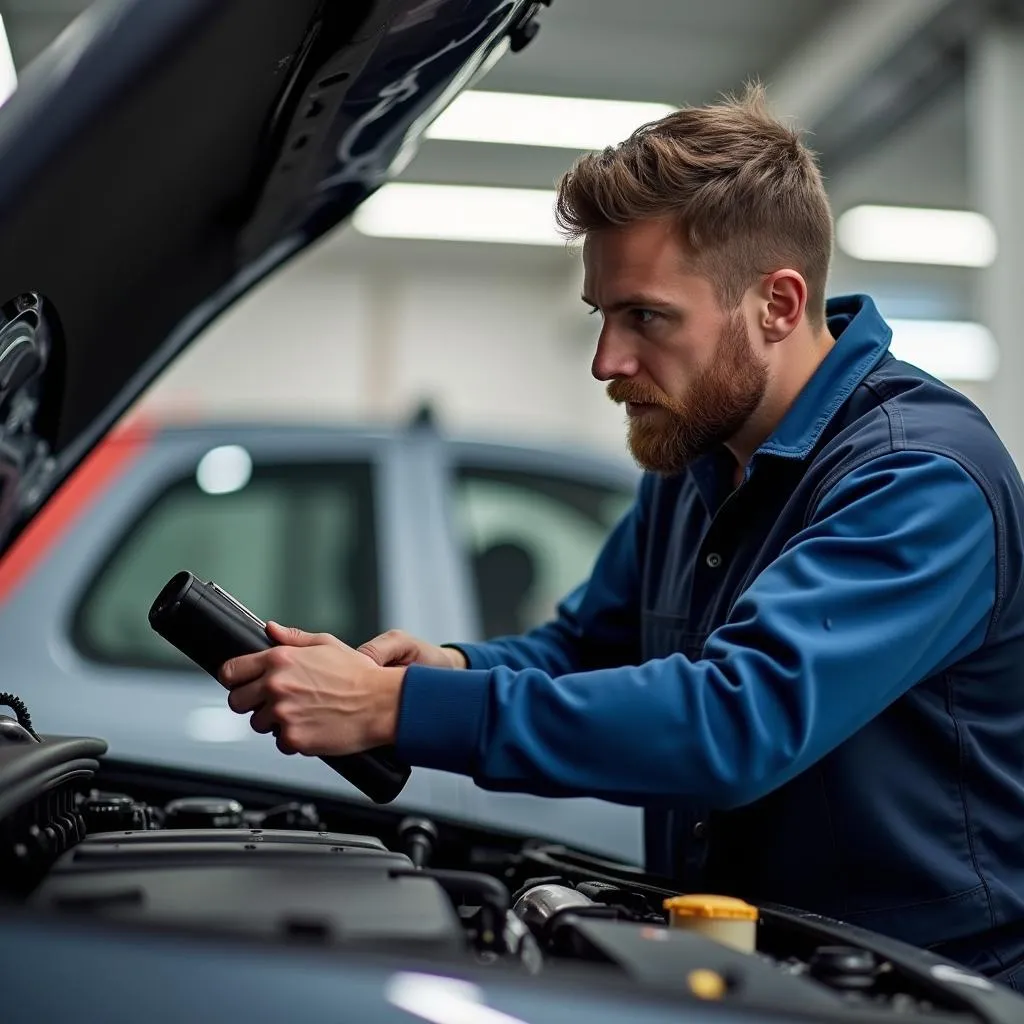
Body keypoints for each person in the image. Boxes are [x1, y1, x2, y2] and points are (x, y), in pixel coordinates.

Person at [217, 83, 1024, 984]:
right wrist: (451, 670)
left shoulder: (918, 478)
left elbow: (736, 720)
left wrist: (394, 711)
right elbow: (587, 647)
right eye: (603, 314)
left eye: (645, 316)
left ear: (778, 305)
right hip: (750, 968)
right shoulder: (698, 460)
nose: (608, 360)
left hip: (926, 990)